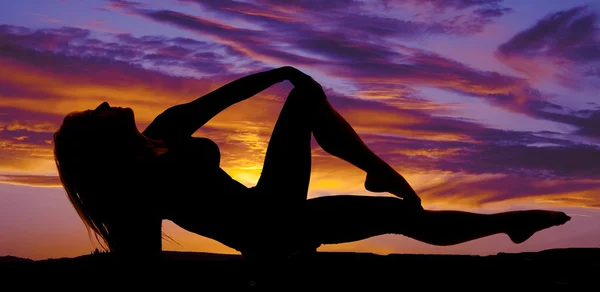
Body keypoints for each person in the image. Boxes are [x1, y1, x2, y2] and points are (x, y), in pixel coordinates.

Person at [53, 66, 571, 260]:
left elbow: (224, 96)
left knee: (400, 215)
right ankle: (378, 171)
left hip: (273, 206)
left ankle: (510, 225)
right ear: (101, 143)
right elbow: (140, 262)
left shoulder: (164, 130)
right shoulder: (136, 187)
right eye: (94, 116)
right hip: (265, 236)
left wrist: (280, 71)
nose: (104, 105)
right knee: (397, 214)